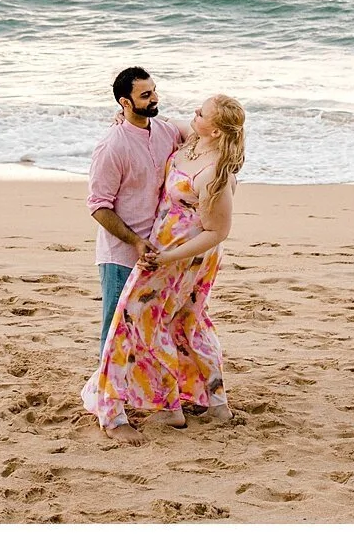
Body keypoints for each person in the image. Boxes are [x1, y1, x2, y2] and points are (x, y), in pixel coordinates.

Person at [82, 93, 246, 444]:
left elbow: (218, 232)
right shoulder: (194, 137)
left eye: (201, 113)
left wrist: (168, 258)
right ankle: (203, 402)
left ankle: (124, 410)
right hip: (164, 250)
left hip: (181, 257)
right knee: (183, 322)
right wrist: (125, 117)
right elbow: (161, 124)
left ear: (216, 131)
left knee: (131, 321)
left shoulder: (215, 172)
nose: (194, 114)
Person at [86, 67, 183, 350]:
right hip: (121, 256)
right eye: (146, 95)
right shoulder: (112, 145)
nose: (155, 98)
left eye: (154, 91)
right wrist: (135, 242)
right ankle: (106, 393)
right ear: (125, 103)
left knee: (151, 330)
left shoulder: (167, 132)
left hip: (160, 251)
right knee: (117, 331)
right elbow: (98, 206)